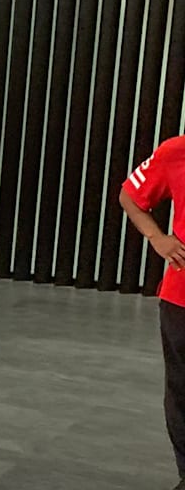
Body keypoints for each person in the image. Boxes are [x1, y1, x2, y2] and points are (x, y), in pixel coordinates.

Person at [120, 137, 185, 490]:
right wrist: (158, 238)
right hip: (181, 299)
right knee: (181, 389)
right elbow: (130, 196)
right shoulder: (176, 152)